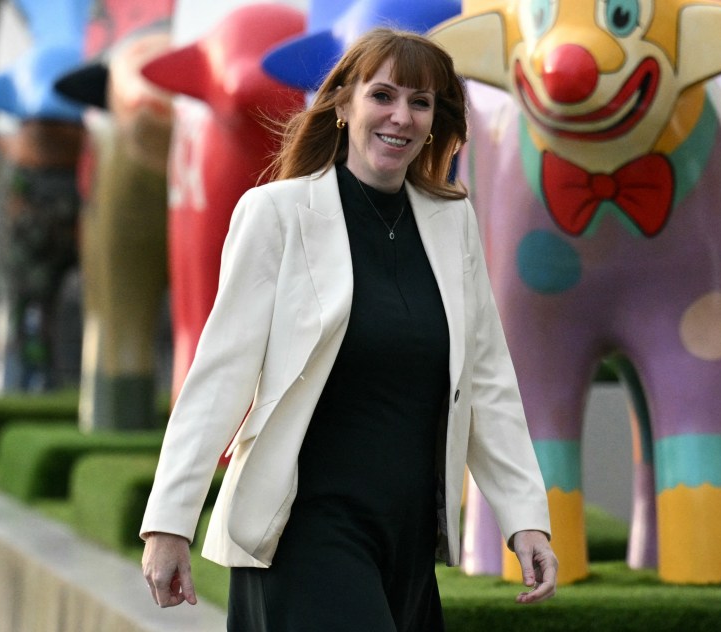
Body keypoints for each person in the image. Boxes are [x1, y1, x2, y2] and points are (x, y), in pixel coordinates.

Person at [141, 27, 558, 631]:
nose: (401, 117)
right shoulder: (277, 215)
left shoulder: (452, 222)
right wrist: (168, 522)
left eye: (420, 102)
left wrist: (526, 519)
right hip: (303, 530)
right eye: (382, 96)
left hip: (407, 539)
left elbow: (488, 380)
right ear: (342, 104)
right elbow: (219, 375)